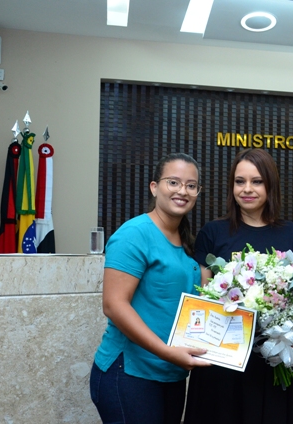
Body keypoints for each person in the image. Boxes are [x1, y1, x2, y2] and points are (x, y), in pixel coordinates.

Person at [184, 148, 293, 424]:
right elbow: (204, 291)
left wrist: (276, 324)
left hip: (275, 353)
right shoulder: (214, 232)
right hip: (226, 356)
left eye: (256, 181)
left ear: (270, 185)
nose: (247, 189)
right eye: (240, 181)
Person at [89, 153, 211, 424]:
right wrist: (168, 352)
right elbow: (114, 305)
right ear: (154, 187)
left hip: (170, 374)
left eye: (191, 185)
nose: (183, 191)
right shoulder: (134, 234)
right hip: (129, 373)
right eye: (173, 182)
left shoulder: (187, 241)